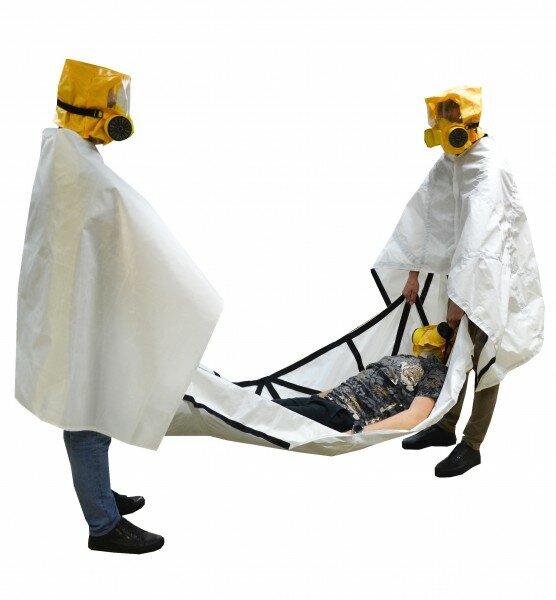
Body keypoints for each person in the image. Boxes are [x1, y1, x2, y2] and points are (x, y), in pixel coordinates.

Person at [15, 59, 223, 553]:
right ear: (93, 108)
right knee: (86, 414)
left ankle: (101, 496)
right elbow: (127, 223)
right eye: (111, 104)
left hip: (77, 311)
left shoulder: (65, 150)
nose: (119, 114)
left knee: (97, 405)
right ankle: (103, 526)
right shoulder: (78, 166)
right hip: (75, 317)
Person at [373, 87, 544, 477]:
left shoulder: (489, 167)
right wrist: (413, 272)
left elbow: (484, 242)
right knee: (453, 353)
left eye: (448, 119)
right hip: (463, 273)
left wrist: (461, 298)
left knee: (484, 358)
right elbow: (426, 214)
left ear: (466, 122)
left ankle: (472, 444)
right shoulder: (453, 162)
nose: (444, 128)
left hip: (490, 278)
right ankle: (445, 427)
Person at [272, 323, 453, 434]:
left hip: (344, 413)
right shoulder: (401, 356)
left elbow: (416, 416)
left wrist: (360, 432)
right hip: (324, 400)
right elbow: (360, 378)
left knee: (267, 417)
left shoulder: (437, 372)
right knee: (265, 406)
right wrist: (318, 397)